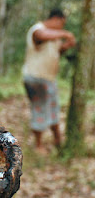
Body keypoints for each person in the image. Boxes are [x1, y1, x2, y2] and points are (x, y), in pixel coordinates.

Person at [22, 9, 76, 153]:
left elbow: (55, 52)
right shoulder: (38, 29)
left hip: (49, 78)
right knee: (39, 108)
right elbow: (40, 36)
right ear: (56, 19)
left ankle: (58, 142)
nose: (61, 28)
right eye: (61, 24)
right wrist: (65, 34)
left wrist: (66, 46)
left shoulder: (53, 36)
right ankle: (38, 145)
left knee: (53, 109)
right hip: (35, 77)